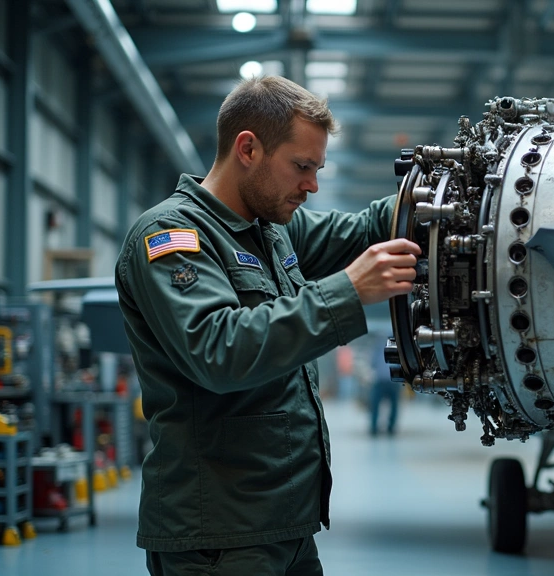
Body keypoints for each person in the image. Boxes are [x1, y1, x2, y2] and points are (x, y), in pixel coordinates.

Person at [115, 75, 420, 575]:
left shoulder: (274, 230)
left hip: (287, 524)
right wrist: (349, 290)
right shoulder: (172, 235)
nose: (312, 185)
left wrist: (445, 190)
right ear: (248, 148)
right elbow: (218, 350)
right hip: (219, 537)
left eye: (317, 169)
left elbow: (366, 228)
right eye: (302, 166)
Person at [367, 338, 399, 436]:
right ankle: (386, 427)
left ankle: (379, 427)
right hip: (388, 380)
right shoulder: (395, 347)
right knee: (389, 405)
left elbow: (373, 364)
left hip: (386, 381)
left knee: (380, 405)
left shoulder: (378, 348)